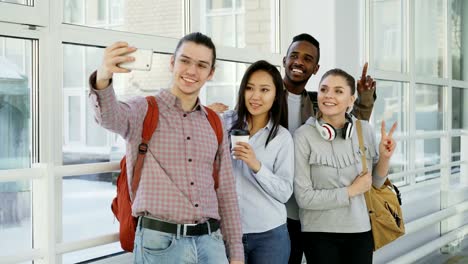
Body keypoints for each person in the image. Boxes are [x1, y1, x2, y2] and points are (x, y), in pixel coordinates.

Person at [208, 33, 377, 263]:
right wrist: (206, 114)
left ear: (315, 68)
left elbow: (346, 126)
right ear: (285, 59)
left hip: (301, 212)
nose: (299, 62)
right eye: (295, 55)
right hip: (265, 210)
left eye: (307, 59)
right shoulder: (261, 96)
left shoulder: (319, 101)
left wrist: (363, 99)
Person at [88, 32, 244, 264]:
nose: (192, 71)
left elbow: (226, 192)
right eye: (185, 61)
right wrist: (104, 76)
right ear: (172, 63)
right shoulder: (144, 110)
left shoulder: (215, 121)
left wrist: (236, 253)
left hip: (211, 243)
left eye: (201, 65)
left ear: (210, 73)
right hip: (160, 244)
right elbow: (109, 117)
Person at [293, 68, 397, 264]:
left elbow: (375, 183)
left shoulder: (363, 130)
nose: (329, 96)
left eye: (338, 91)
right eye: (324, 90)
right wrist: (350, 191)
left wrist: (384, 157)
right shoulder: (302, 136)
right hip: (318, 233)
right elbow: (304, 198)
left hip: (360, 232)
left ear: (351, 100)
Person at [222, 60, 294, 263]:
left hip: (270, 235)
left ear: (276, 95)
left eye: (264, 90)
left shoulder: (282, 137)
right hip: (227, 232)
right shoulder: (223, 122)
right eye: (250, 88)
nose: (255, 96)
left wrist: (257, 166)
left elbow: (285, 192)